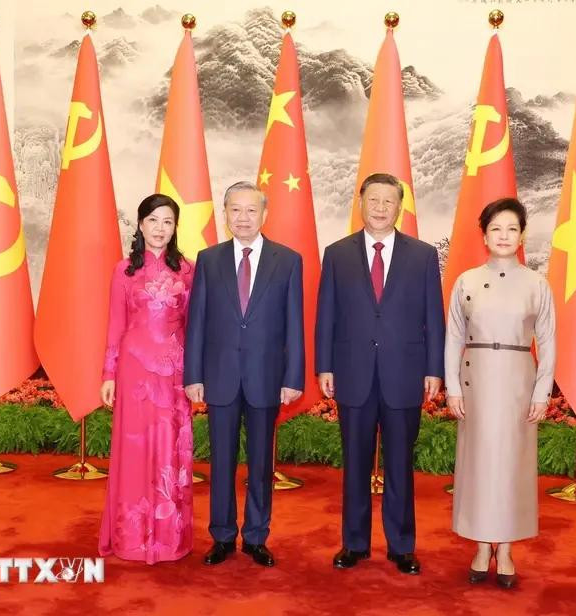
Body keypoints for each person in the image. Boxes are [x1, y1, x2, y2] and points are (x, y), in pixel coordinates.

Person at [315, 172, 445, 575]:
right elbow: (326, 316)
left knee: (400, 465)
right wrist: (324, 365)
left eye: (389, 201)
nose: (381, 208)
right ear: (361, 203)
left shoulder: (423, 256)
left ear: (400, 208)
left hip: (403, 374)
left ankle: (402, 546)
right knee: (354, 463)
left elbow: (433, 318)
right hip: (352, 373)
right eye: (374, 200)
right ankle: (354, 543)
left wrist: (434, 369)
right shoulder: (336, 254)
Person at [184, 181, 304, 568]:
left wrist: (293, 377)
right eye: (235, 210)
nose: (243, 218)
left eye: (251, 210)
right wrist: (193, 374)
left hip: (265, 377)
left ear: (264, 214)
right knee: (221, 462)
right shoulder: (209, 259)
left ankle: (256, 536)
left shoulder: (288, 260)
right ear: (225, 214)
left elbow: (294, 325)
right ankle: (221, 535)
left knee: (260, 464)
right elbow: (197, 322)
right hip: (220, 377)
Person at [444, 197, 556, 588]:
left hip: (517, 383)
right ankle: (480, 545)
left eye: (511, 229)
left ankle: (505, 549)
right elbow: (453, 337)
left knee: (512, 466)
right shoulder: (467, 281)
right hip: (475, 382)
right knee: (477, 465)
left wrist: (542, 392)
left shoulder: (536, 283)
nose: (504, 236)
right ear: (484, 236)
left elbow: (548, 341)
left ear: (522, 235)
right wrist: (452, 387)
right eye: (496, 229)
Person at [98, 193, 194, 564]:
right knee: (133, 451)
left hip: (174, 374)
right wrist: (108, 373)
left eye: (167, 221)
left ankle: (169, 539)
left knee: (170, 449)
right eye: (153, 220)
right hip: (133, 372)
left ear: (175, 227)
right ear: (140, 224)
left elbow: (193, 328)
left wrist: (195, 374)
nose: (160, 228)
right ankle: (132, 538)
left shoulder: (187, 270)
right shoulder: (123, 271)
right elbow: (115, 325)